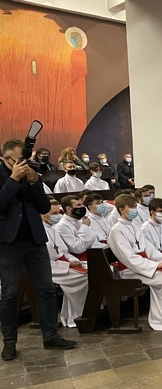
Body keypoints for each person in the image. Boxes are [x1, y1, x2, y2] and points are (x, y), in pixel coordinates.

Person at [0, 138, 77, 361]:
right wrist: (14, 179)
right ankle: (10, 342)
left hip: (34, 240)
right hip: (8, 243)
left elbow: (44, 207)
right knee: (9, 294)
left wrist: (34, 183)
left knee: (46, 289)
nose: (25, 163)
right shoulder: (5, 175)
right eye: (20, 160)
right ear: (8, 159)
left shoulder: (31, 175)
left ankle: (51, 336)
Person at [108, 194, 162, 330]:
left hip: (144, 265)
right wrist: (155, 265)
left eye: (135, 206)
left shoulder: (134, 226)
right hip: (130, 270)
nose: (134, 210)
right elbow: (129, 258)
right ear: (121, 210)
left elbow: (150, 250)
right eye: (131, 207)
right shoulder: (116, 231)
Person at [42, 199, 89, 328]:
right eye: (53, 213)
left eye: (58, 212)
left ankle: (74, 314)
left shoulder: (53, 229)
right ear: (43, 214)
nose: (57, 216)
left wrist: (72, 260)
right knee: (84, 277)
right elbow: (46, 260)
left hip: (63, 264)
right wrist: (68, 265)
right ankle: (78, 314)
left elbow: (64, 251)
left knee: (93, 270)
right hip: (52, 269)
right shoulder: (40, 232)